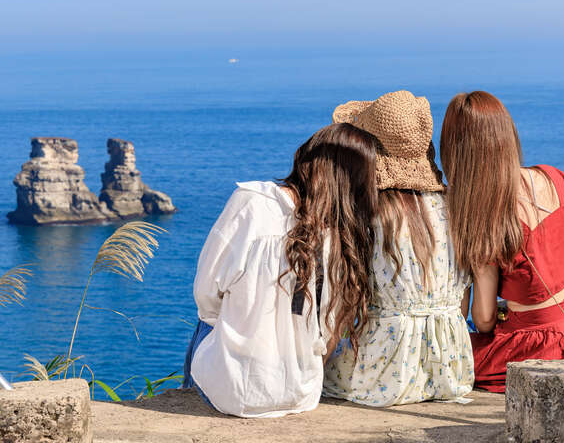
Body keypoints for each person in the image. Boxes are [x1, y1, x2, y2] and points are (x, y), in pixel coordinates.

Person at [182, 122, 380, 417]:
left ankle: (188, 396)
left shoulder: (251, 203)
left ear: (304, 157)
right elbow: (327, 334)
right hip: (302, 393)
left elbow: (206, 295)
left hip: (235, 393)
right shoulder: (344, 238)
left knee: (205, 322)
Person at [440, 90, 564, 393]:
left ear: (457, 151)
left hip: (541, 347)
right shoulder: (556, 178)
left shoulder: (485, 217)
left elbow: (484, 320)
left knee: (443, 358)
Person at [323, 90, 474, 405]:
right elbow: (462, 303)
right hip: (451, 367)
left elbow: (346, 299)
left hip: (385, 368)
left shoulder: (370, 211)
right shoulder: (455, 206)